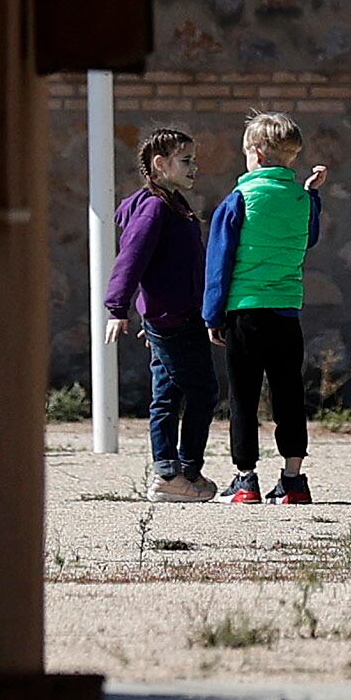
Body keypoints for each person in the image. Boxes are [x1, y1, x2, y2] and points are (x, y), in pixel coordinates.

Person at [202, 112, 327, 505]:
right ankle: (293, 480)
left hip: (244, 310)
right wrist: (312, 195)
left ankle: (245, 478)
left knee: (243, 394)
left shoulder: (238, 199)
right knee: (289, 391)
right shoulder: (302, 200)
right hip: (286, 311)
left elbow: (218, 261)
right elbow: (309, 238)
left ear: (254, 153)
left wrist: (212, 314)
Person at [103, 127, 216, 501]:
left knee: (169, 394)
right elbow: (131, 260)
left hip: (174, 316)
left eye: (193, 160)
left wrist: (149, 313)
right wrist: (118, 308)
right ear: (160, 164)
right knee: (201, 391)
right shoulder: (155, 207)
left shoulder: (174, 204)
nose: (193, 168)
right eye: (185, 161)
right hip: (175, 320)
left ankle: (174, 473)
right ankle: (177, 472)